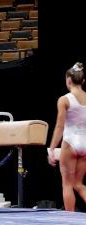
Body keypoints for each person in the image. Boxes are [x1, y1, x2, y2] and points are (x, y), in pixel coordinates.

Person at [48, 62, 86, 212]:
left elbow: (59, 126)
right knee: (78, 184)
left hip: (70, 142)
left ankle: (69, 220)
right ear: (83, 81)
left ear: (68, 81)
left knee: (67, 184)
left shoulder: (64, 99)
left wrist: (52, 148)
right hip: (85, 143)